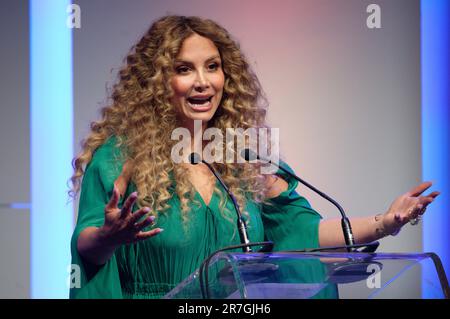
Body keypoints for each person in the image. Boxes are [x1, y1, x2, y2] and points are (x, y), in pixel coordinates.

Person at [69, 15, 439, 299]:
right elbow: (87, 246)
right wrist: (108, 237)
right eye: (184, 69)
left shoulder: (241, 158)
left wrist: (385, 222)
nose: (203, 81)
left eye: (212, 66)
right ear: (156, 81)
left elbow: (302, 233)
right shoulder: (121, 157)